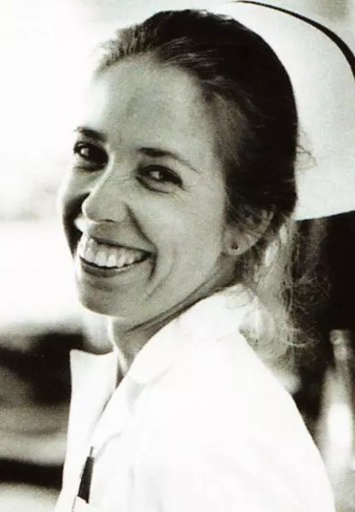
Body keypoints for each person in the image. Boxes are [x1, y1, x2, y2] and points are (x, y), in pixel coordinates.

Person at [55, 9, 337, 512]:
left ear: (246, 223)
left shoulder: (213, 437)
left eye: (158, 174)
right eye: (89, 153)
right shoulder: (149, 392)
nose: (96, 205)